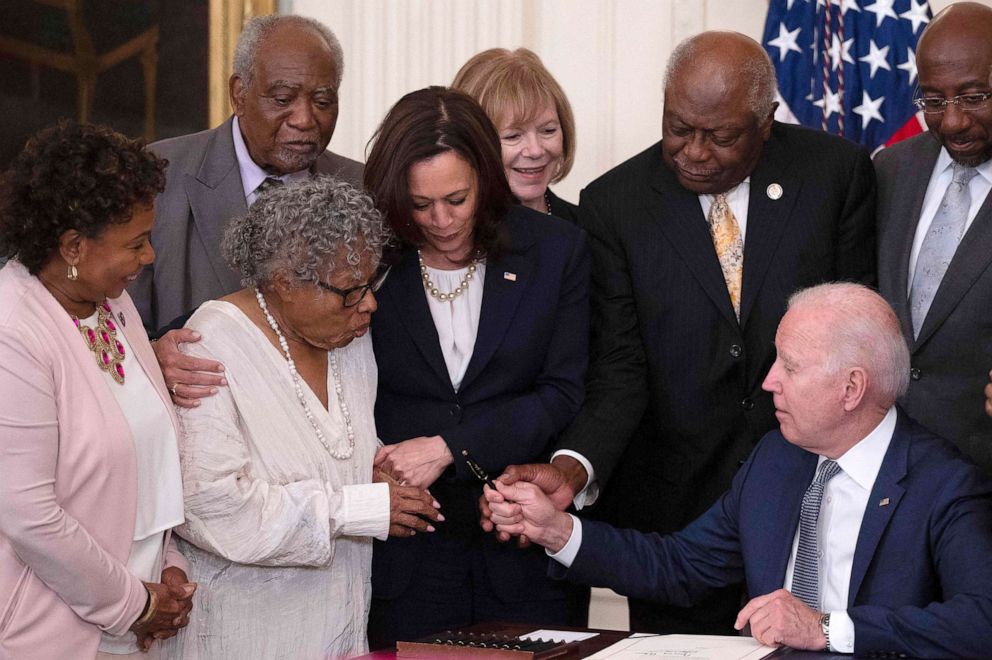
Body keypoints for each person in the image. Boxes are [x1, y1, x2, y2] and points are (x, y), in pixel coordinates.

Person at [484, 30, 876, 635]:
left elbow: (860, 338)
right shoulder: (615, 203)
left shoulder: (835, 174)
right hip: (674, 517)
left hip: (816, 496)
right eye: (677, 128)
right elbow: (620, 367)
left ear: (765, 121)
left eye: (719, 136)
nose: (693, 151)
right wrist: (573, 468)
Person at [488, 282, 992, 659]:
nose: (769, 380)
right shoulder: (777, 459)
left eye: (790, 367)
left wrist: (828, 629)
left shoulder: (944, 484)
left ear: (851, 388)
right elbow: (680, 567)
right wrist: (558, 531)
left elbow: (982, 621)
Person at [161, 176, 442, 659]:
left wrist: (369, 471)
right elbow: (211, 506)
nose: (369, 303)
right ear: (284, 282)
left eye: (371, 284)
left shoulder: (348, 338)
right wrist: (358, 507)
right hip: (241, 632)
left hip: (340, 622)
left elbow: (327, 446)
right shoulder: (209, 345)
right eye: (350, 291)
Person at [362, 87, 590, 648]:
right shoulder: (370, 256)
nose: (441, 220)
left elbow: (561, 392)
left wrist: (448, 446)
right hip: (406, 555)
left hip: (521, 550)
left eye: (457, 199)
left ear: (486, 179)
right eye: (420, 205)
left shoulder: (555, 249)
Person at [0, 121, 195, 659]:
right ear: (73, 246)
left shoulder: (111, 301)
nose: (149, 256)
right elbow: (28, 514)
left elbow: (141, 459)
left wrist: (167, 564)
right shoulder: (13, 331)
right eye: (136, 243)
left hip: (135, 626)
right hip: (49, 634)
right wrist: (133, 604)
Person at [134, 14, 363, 407]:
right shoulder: (160, 177)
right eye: (282, 99)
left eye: (323, 101)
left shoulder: (361, 187)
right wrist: (152, 355)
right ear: (239, 93)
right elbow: (108, 321)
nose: (305, 119)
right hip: (195, 421)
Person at [875, 2, 992, 476]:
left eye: (974, 96)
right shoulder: (890, 169)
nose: (953, 122)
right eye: (933, 101)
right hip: (888, 462)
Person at [452, 48, 578, 221]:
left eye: (548, 131)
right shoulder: (448, 235)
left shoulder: (586, 229)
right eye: (513, 136)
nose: (535, 151)